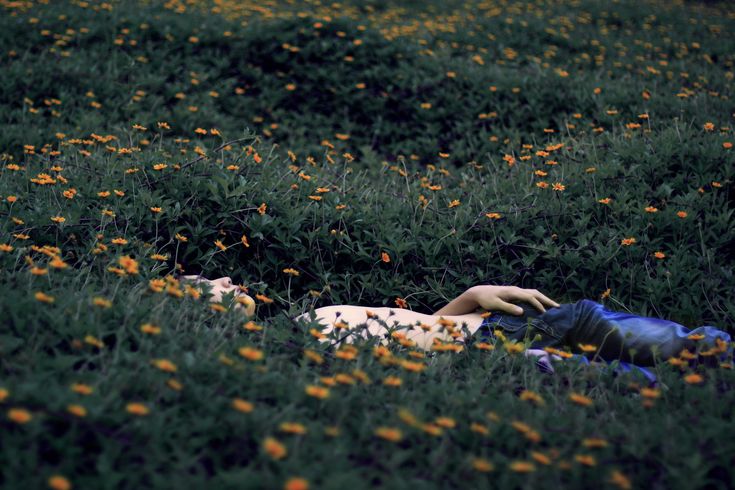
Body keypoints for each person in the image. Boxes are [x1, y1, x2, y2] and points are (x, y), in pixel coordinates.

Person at [181, 277, 733, 385]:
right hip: (490, 360)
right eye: (208, 282)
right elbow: (413, 362)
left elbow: (420, 329)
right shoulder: (288, 351)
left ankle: (715, 356)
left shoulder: (298, 325)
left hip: (499, 329)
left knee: (681, 349)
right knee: (638, 386)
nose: (224, 276)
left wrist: (470, 298)